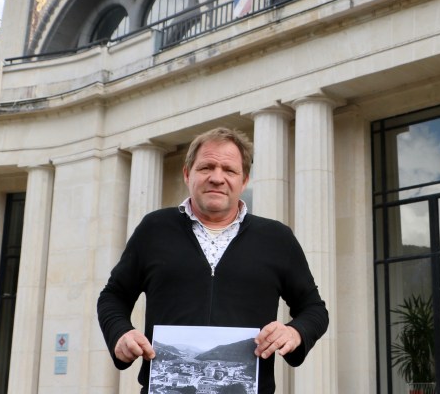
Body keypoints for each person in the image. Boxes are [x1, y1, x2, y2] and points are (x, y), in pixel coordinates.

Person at [97, 127, 329, 393]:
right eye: (206, 167)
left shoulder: (277, 238)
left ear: (244, 180)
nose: (217, 178)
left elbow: (314, 309)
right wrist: (120, 334)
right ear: (187, 174)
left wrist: (295, 332)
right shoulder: (154, 229)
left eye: (229, 170)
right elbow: (113, 296)